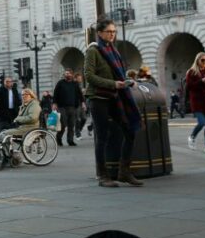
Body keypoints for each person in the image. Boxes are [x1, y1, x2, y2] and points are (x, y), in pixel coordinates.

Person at [84, 18, 143, 187]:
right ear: (100, 33)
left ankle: (124, 172)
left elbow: (118, 74)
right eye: (109, 31)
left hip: (114, 97)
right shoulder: (93, 50)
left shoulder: (113, 51)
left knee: (130, 130)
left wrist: (128, 81)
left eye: (114, 31)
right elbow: (89, 76)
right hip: (98, 98)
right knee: (102, 136)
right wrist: (113, 84)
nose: (112, 34)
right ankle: (103, 175)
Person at [0, 89, 41, 163]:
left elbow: (33, 118)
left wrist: (18, 119)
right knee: (3, 132)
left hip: (29, 128)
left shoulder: (34, 105)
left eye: (26, 95)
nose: (24, 96)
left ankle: (8, 155)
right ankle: (6, 153)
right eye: (22, 95)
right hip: (24, 127)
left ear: (31, 96)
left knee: (5, 134)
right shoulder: (25, 105)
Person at [52, 69, 82, 146]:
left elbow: (79, 94)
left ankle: (70, 140)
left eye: (68, 73)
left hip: (72, 107)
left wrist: (83, 103)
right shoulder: (60, 83)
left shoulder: (75, 84)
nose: (66, 74)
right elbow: (55, 93)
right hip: (61, 107)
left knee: (71, 125)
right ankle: (59, 138)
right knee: (63, 123)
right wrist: (54, 103)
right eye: (65, 73)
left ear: (71, 75)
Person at [74, 73, 88, 141]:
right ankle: (77, 134)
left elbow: (81, 96)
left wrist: (83, 103)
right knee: (77, 119)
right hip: (76, 105)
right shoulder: (74, 84)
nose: (81, 79)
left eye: (81, 78)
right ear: (76, 78)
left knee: (84, 118)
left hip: (81, 104)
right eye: (79, 78)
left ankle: (79, 130)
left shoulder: (79, 85)